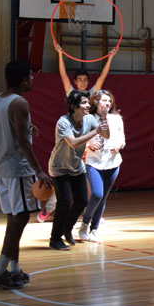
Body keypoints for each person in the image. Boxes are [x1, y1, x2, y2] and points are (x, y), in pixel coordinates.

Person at [0, 61, 52, 289]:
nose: (33, 79)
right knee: (21, 218)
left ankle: (14, 269)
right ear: (24, 79)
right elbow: (23, 142)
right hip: (18, 169)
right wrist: (39, 170)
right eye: (31, 76)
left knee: (13, 219)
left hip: (1, 168)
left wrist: (27, 129)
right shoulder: (20, 103)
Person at [48, 90, 109, 250]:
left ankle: (67, 228)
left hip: (77, 166)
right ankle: (55, 239)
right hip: (60, 167)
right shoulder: (63, 122)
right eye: (84, 103)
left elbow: (106, 135)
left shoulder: (89, 119)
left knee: (82, 200)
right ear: (73, 107)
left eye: (88, 102)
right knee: (64, 202)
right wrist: (95, 131)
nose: (88, 105)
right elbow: (74, 143)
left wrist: (104, 119)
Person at [79, 90, 125, 242]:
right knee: (97, 194)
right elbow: (79, 140)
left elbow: (122, 140)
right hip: (94, 162)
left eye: (109, 101)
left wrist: (118, 145)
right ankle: (84, 223)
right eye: (104, 100)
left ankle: (94, 229)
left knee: (103, 198)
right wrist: (88, 145)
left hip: (112, 162)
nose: (108, 103)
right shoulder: (88, 118)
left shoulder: (116, 119)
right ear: (96, 102)